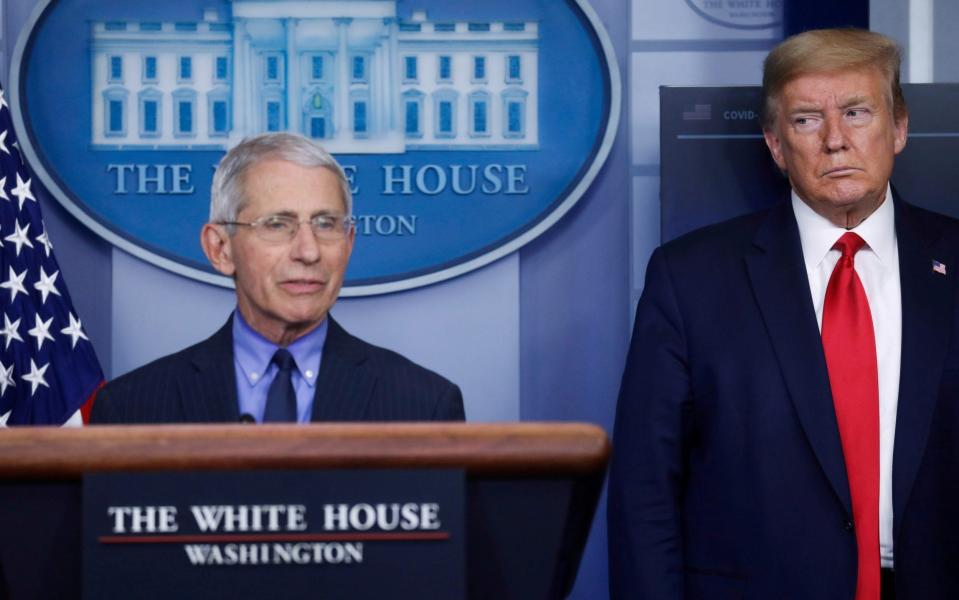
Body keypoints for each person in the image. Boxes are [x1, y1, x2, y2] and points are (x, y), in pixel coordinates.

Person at [608, 29, 958, 600]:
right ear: (774, 144)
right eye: (806, 121)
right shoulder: (691, 278)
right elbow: (645, 488)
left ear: (899, 128)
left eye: (857, 112)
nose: (836, 140)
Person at [92, 133, 464, 424]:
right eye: (277, 224)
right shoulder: (131, 409)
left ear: (348, 244)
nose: (309, 251)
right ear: (220, 248)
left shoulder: (424, 404)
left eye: (326, 224)